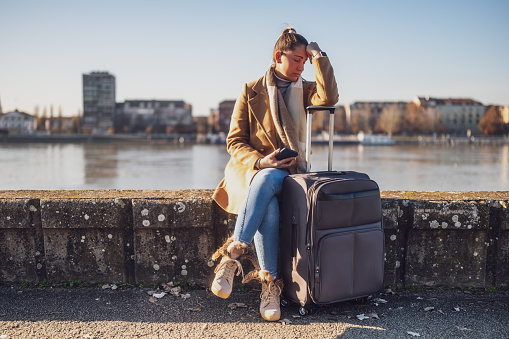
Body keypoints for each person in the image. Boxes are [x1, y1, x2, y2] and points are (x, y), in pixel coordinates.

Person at [210, 27, 339, 322]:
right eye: (296, 60)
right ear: (277, 56)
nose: (301, 66)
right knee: (267, 194)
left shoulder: (307, 89)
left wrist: (319, 56)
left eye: (305, 61)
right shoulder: (250, 90)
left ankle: (231, 256)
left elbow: (330, 96)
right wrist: (260, 161)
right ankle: (270, 288)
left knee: (269, 182)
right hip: (253, 171)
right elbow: (234, 141)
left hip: (293, 174)